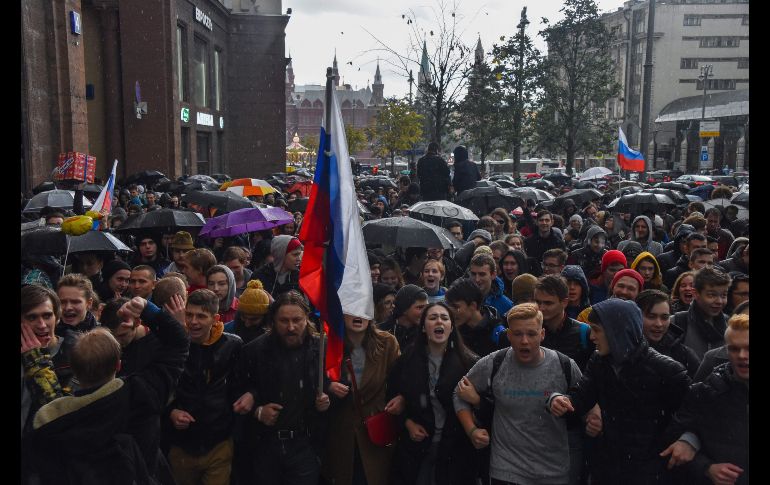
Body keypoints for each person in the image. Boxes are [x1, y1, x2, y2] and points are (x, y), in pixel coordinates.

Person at [23, 295, 189, 485]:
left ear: (73, 369)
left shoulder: (57, 420)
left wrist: (37, 365)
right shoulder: (141, 393)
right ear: (118, 365)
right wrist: (147, 309)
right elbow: (179, 343)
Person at [548, 299, 690, 484]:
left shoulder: (667, 370)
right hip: (608, 467)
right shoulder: (599, 362)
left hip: (651, 470)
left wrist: (686, 440)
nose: (592, 337)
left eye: (597, 330)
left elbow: (691, 413)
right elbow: (580, 398)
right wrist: (557, 400)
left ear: (616, 331)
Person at [455, 303, 582, 485]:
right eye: (517, 334)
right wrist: (471, 430)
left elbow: (586, 400)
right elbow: (458, 393)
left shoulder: (565, 365)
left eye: (531, 334)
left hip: (552, 470)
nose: (524, 341)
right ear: (508, 335)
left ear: (542, 334)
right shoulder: (494, 362)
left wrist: (586, 412)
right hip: (506, 470)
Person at [235, 291, 331, 485]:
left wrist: (327, 399)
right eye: (284, 321)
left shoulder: (322, 349)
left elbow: (336, 384)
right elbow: (237, 391)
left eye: (297, 320)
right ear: (273, 321)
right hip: (265, 445)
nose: (291, 327)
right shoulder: (254, 351)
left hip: (306, 444)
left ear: (306, 319)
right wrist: (258, 411)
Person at [388, 302, 480, 485]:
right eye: (432, 318)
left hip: (455, 449)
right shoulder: (407, 360)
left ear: (451, 327)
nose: (439, 321)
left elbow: (485, 405)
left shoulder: (469, 362)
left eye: (444, 318)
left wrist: (476, 399)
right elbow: (391, 395)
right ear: (423, 327)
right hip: (418, 448)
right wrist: (408, 423)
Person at [164, 289, 244, 485]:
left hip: (219, 442)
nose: (193, 322)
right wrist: (171, 412)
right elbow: (161, 387)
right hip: (182, 443)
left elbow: (240, 385)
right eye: (189, 315)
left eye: (201, 316)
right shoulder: (172, 345)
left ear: (215, 319)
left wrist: (251, 395)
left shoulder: (232, 345)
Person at [662, 313, 748, 484]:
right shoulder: (706, 392)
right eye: (734, 349)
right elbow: (673, 440)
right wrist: (706, 468)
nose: (742, 355)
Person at [322, 313, 401, 485]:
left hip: (375, 431)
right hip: (341, 435)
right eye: (352, 309)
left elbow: (401, 381)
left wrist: (401, 398)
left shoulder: (387, 343)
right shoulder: (327, 344)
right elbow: (315, 379)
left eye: (363, 308)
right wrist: (328, 386)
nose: (358, 314)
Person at [21, 285, 63, 435]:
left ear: (57, 317)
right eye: (32, 317)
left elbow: (59, 415)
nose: (42, 325)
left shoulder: (74, 353)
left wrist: (36, 361)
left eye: (47, 316)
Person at [636, 289, 700, 379]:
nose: (659, 324)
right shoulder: (623, 351)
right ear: (636, 316)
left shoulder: (684, 355)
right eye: (651, 317)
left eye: (664, 317)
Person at [669, 267, 731, 359]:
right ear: (695, 293)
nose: (719, 301)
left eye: (723, 295)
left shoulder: (730, 324)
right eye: (711, 295)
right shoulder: (676, 323)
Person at [54, 274, 101, 392]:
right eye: (62, 302)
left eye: (75, 302)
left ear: (89, 303)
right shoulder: (45, 334)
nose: (68, 307)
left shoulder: (102, 337)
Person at [445, 278, 507, 357]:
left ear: (473, 306)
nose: (451, 311)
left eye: (456, 307)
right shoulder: (453, 332)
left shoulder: (498, 334)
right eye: (449, 307)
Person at [379, 284, 429, 351]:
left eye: (427, 307)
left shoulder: (427, 333)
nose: (425, 311)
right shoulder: (380, 332)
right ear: (404, 309)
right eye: (420, 307)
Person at [223, 279, 272, 344]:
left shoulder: (273, 336)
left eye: (254, 319)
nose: (247, 324)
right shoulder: (226, 330)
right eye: (243, 317)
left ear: (265, 317)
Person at [524, 210, 566, 274]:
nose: (544, 223)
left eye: (547, 220)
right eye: (541, 220)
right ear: (537, 222)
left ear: (552, 222)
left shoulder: (559, 243)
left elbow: (562, 263)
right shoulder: (528, 242)